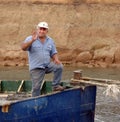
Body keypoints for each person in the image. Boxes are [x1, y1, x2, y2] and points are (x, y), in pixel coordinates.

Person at [21, 22, 64, 97]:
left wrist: (56, 59)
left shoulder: (50, 40)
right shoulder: (30, 38)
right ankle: (35, 102)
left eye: (44, 29)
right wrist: (32, 41)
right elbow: (23, 48)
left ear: (47, 31)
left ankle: (56, 86)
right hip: (36, 68)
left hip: (47, 65)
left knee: (59, 66)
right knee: (36, 87)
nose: (42, 31)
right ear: (37, 29)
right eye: (40, 29)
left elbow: (53, 52)